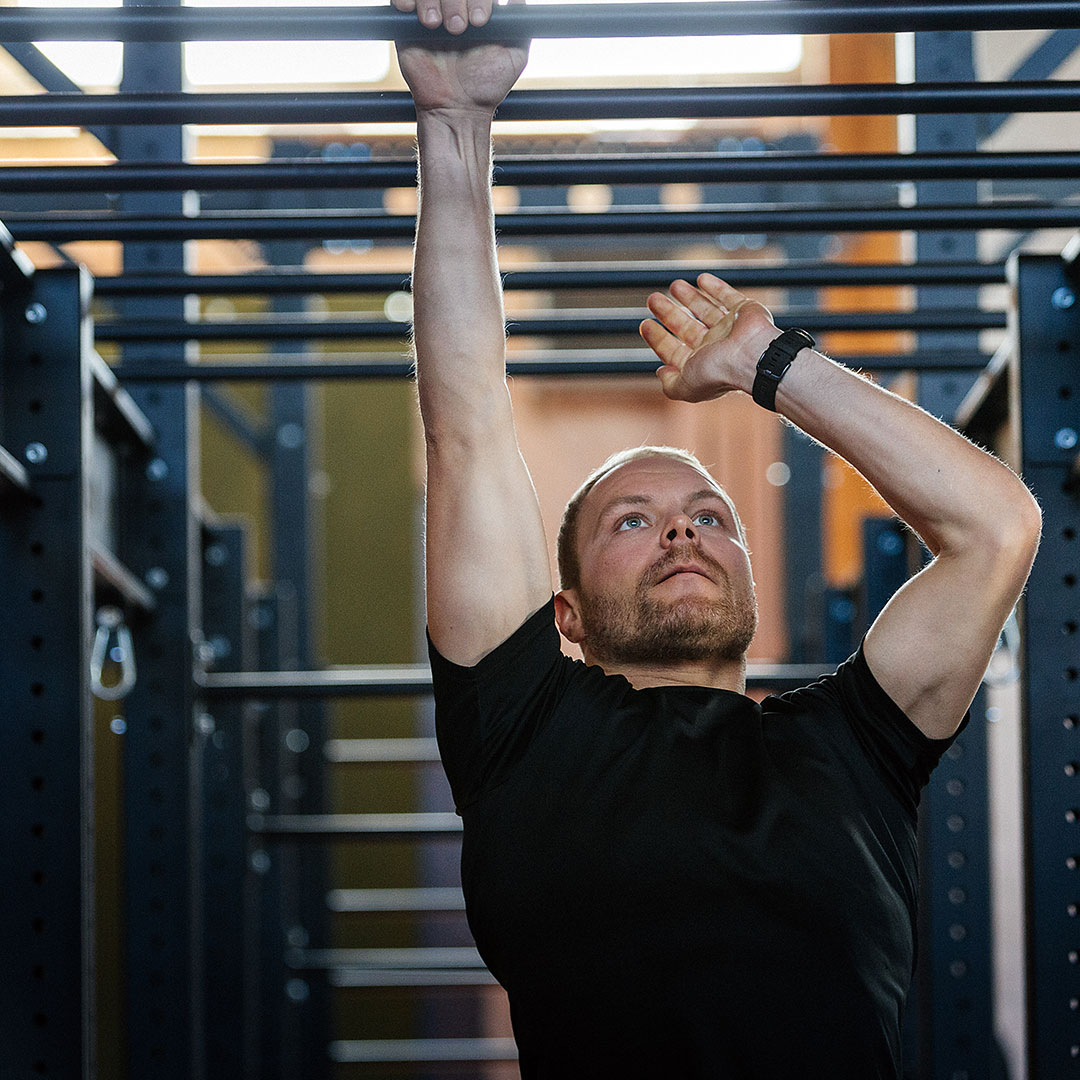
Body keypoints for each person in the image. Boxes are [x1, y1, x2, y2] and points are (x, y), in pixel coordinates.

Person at [391, 3, 1043, 1076]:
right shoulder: (519, 727)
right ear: (565, 614)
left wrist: (768, 364)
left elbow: (998, 528)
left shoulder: (855, 749)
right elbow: (465, 419)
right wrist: (455, 123)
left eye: (709, 519)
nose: (683, 534)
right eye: (633, 521)